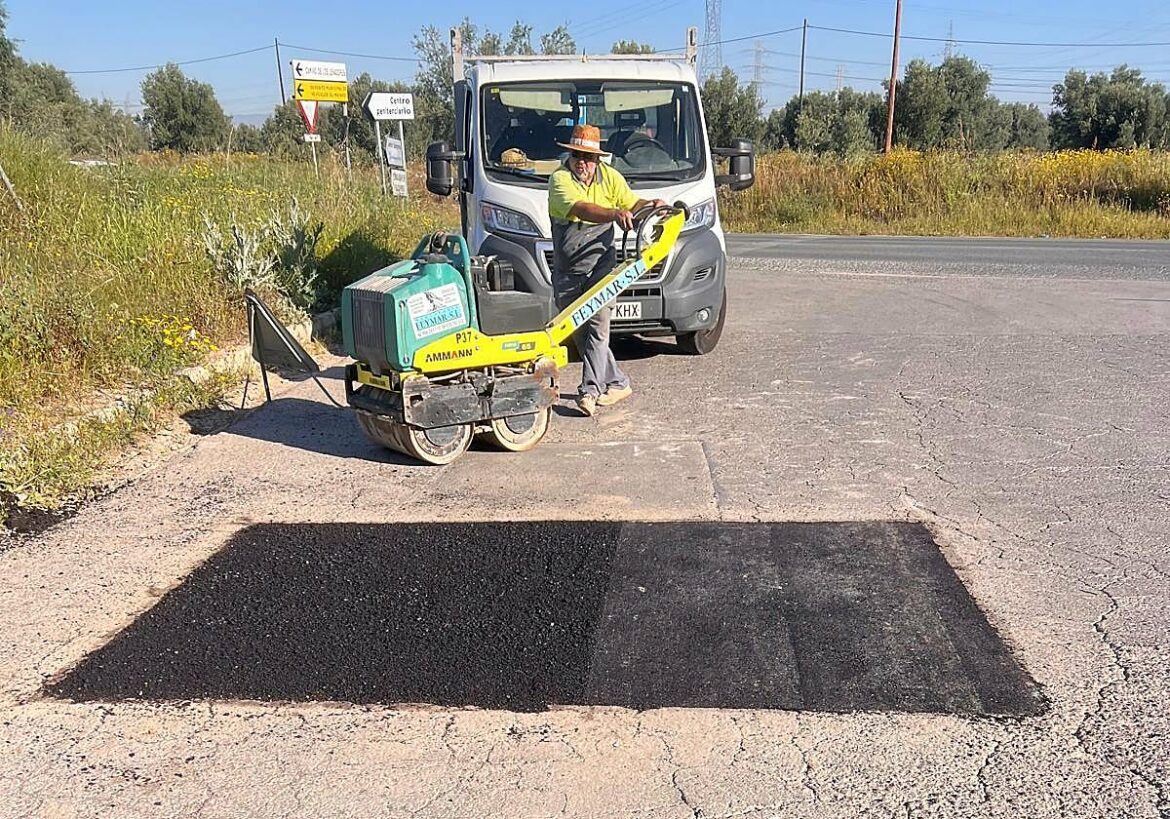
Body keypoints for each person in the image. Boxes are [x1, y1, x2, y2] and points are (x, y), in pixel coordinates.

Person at [547, 123, 666, 417]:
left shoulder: (611, 178)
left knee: (598, 327)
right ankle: (618, 381)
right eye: (577, 156)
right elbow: (582, 209)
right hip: (569, 270)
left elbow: (631, 203)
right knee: (579, 330)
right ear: (570, 156)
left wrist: (651, 206)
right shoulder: (559, 180)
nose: (582, 163)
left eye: (588, 158)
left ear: (598, 159)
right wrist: (613, 214)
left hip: (602, 267)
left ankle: (589, 391)